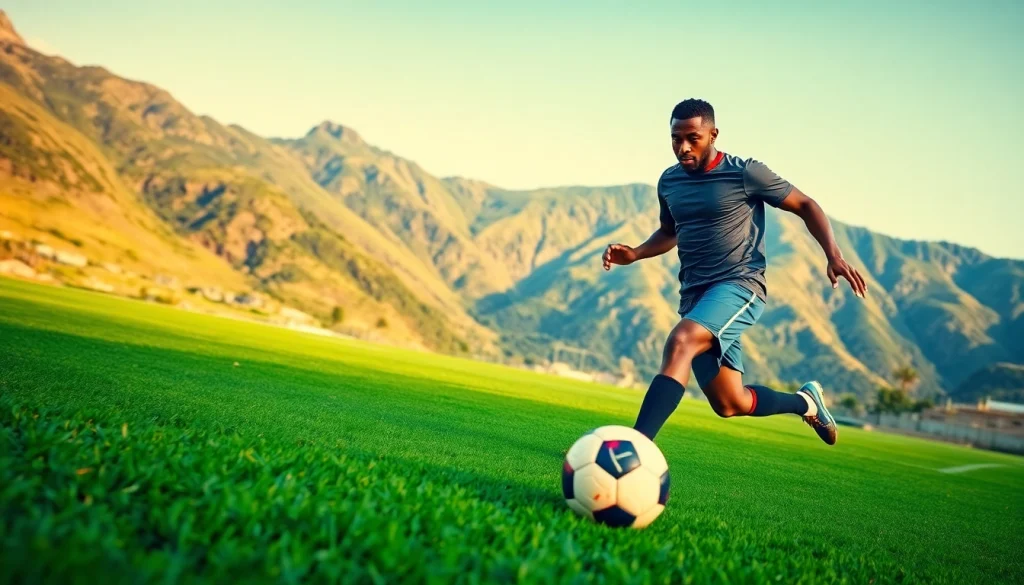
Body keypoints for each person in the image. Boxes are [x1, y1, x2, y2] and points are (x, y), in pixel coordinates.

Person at [602, 98, 867, 445]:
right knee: (730, 403)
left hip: (740, 286)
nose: (683, 147)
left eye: (693, 138)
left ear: (713, 135)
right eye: (675, 138)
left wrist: (833, 254)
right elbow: (669, 232)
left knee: (681, 341)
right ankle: (806, 403)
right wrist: (636, 253)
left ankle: (635, 447)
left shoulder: (745, 173)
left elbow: (805, 204)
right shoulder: (669, 182)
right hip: (696, 296)